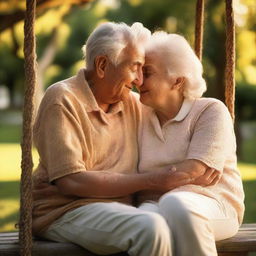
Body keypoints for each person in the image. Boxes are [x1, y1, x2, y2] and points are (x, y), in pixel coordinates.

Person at [32, 22, 207, 256]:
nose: (139, 80)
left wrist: (209, 135)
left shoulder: (132, 103)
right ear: (103, 65)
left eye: (143, 70)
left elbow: (175, 108)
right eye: (135, 67)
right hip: (64, 210)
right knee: (150, 229)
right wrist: (152, 181)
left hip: (120, 210)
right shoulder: (62, 99)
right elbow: (71, 182)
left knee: (165, 223)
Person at [136, 31, 245, 256]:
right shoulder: (138, 116)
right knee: (143, 224)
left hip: (214, 204)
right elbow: (190, 175)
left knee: (176, 204)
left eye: (146, 73)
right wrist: (172, 178)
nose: (138, 81)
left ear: (177, 80)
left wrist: (145, 182)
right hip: (155, 206)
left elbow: (196, 170)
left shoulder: (210, 111)